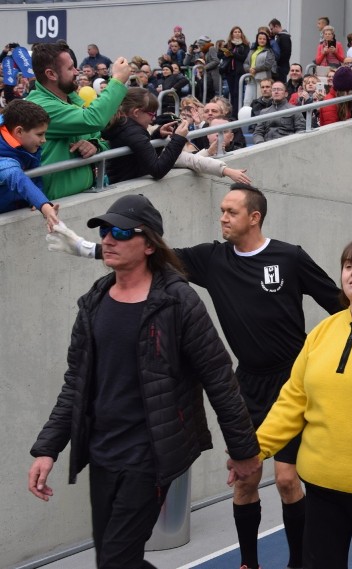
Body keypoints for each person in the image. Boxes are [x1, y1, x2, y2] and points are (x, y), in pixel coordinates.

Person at [46, 184, 342, 569]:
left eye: (231, 211)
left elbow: (336, 303)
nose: (222, 217)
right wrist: (86, 248)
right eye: (221, 210)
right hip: (249, 382)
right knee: (245, 482)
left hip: (292, 382)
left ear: (255, 217)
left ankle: (298, 562)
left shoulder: (289, 257)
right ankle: (249, 563)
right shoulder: (211, 259)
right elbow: (153, 255)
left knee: (287, 480)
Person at [29, 194, 261, 569]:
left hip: (152, 454)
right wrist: (47, 448)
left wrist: (243, 450)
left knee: (116, 561)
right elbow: (76, 382)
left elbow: (219, 378)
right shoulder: (94, 301)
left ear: (150, 244)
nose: (108, 239)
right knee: (114, 557)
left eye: (121, 231)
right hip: (103, 451)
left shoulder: (178, 301)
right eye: (105, 231)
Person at [241, 238, 352, 569]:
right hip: (321, 486)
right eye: (348, 265)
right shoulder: (323, 331)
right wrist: (254, 450)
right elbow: (292, 399)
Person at [27, 43, 131, 199]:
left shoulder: (70, 100)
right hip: (53, 206)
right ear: (51, 74)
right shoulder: (40, 106)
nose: (77, 72)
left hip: (80, 199)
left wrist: (95, 145)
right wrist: (117, 81)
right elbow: (94, 120)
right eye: (70, 68)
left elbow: (99, 137)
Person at [100, 88, 189, 184]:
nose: (154, 118)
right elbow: (158, 170)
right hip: (126, 187)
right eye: (151, 114)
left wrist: (157, 135)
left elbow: (144, 157)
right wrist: (179, 138)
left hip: (120, 182)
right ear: (136, 112)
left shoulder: (121, 125)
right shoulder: (133, 133)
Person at [0, 99, 59, 229]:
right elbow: (17, 177)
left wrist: (35, 198)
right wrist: (45, 206)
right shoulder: (4, 160)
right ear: (19, 132)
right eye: (40, 134)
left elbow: (35, 172)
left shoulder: (28, 145)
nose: (44, 140)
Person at [220, 26, 250, 113]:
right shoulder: (228, 44)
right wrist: (225, 54)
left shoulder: (245, 45)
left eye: (239, 32)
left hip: (239, 71)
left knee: (238, 93)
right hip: (229, 71)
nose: (237, 33)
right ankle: (233, 111)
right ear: (232, 34)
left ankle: (237, 112)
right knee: (232, 93)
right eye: (235, 32)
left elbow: (244, 57)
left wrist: (233, 54)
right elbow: (219, 55)